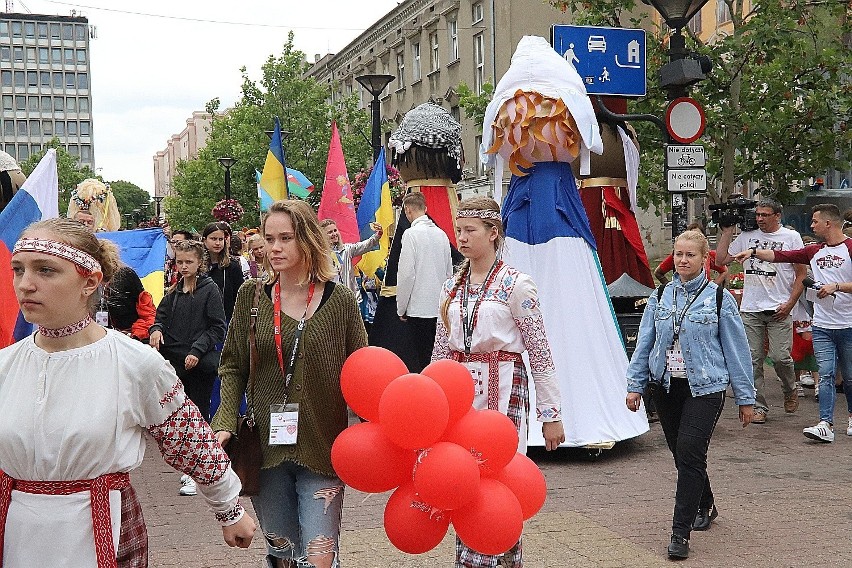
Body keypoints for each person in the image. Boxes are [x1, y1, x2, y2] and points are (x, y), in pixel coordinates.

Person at [1, 217, 255, 566]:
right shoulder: (6, 365)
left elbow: (189, 440)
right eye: (18, 270)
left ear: (89, 281)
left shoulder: (134, 363)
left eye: (45, 270)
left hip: (104, 526)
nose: (25, 284)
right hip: (16, 533)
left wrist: (229, 508)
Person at [212, 199, 367, 568]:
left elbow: (362, 369)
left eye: (286, 238)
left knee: (318, 557)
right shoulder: (250, 297)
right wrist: (222, 422)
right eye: (269, 238)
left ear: (308, 240)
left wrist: (371, 431)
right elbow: (233, 365)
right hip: (265, 450)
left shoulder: (340, 300)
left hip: (325, 448)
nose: (275, 247)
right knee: (282, 553)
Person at [431, 197, 565, 568]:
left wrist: (550, 413)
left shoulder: (516, 285)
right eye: (458, 230)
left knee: (499, 475)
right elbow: (440, 351)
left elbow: (539, 350)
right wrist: (432, 407)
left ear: (493, 233)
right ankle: (467, 559)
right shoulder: (451, 287)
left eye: (470, 230)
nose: (462, 237)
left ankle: (502, 556)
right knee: (460, 475)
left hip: (505, 386)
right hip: (460, 394)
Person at [626, 229, 754, 560]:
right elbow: (645, 343)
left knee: (689, 451)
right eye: (679, 255)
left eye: (690, 255)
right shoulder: (661, 295)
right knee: (684, 456)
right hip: (666, 386)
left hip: (706, 387)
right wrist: (635, 384)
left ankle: (679, 533)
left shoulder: (718, 298)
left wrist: (746, 398)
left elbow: (737, 350)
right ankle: (706, 502)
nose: (683, 260)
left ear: (704, 259)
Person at [735, 204, 852, 442]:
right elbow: (781, 256)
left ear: (828, 223)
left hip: (848, 324)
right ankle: (825, 423)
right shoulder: (813, 250)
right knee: (827, 374)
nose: (811, 225)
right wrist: (753, 252)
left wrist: (837, 287)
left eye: (815, 221)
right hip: (822, 325)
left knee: (849, 376)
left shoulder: (850, 248)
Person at [716, 199, 806, 423]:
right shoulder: (747, 236)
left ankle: (790, 388)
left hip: (779, 307)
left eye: (765, 215)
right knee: (753, 359)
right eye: (757, 214)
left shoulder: (790, 238)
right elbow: (721, 259)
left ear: (778, 215)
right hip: (751, 307)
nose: (759, 219)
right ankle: (759, 406)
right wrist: (727, 231)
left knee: (779, 357)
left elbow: (801, 274)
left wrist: (790, 303)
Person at [149, 239, 227, 496]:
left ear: (199, 263)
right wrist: (156, 330)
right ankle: (190, 465)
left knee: (200, 414)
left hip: (199, 363)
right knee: (180, 416)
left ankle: (200, 469)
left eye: (188, 262)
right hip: (176, 361)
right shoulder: (173, 292)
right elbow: (159, 318)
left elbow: (217, 326)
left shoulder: (209, 289)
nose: (183, 267)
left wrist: (197, 350)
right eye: (179, 262)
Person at [396, 192, 453, 372]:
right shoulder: (441, 234)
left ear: (407, 210)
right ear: (425, 209)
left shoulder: (410, 234)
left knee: (422, 359)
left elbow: (406, 275)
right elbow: (449, 271)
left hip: (418, 308)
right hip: (439, 306)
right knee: (439, 356)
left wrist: (401, 307)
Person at [321, 218, 382, 298]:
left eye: (335, 230)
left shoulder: (347, 249)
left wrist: (378, 234)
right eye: (330, 232)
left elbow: (366, 245)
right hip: (333, 300)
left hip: (351, 298)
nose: (334, 234)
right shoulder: (321, 255)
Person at [655, 223, 728, 286]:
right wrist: (670, 288)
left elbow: (724, 271)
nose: (683, 260)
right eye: (690, 236)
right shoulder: (676, 256)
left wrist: (713, 286)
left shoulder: (710, 255)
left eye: (690, 255)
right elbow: (658, 272)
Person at [202, 221, 245, 321]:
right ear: (205, 240)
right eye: (213, 239)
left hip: (226, 319)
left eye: (220, 239)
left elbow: (239, 295)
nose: (217, 243)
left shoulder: (232, 266)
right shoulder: (198, 266)